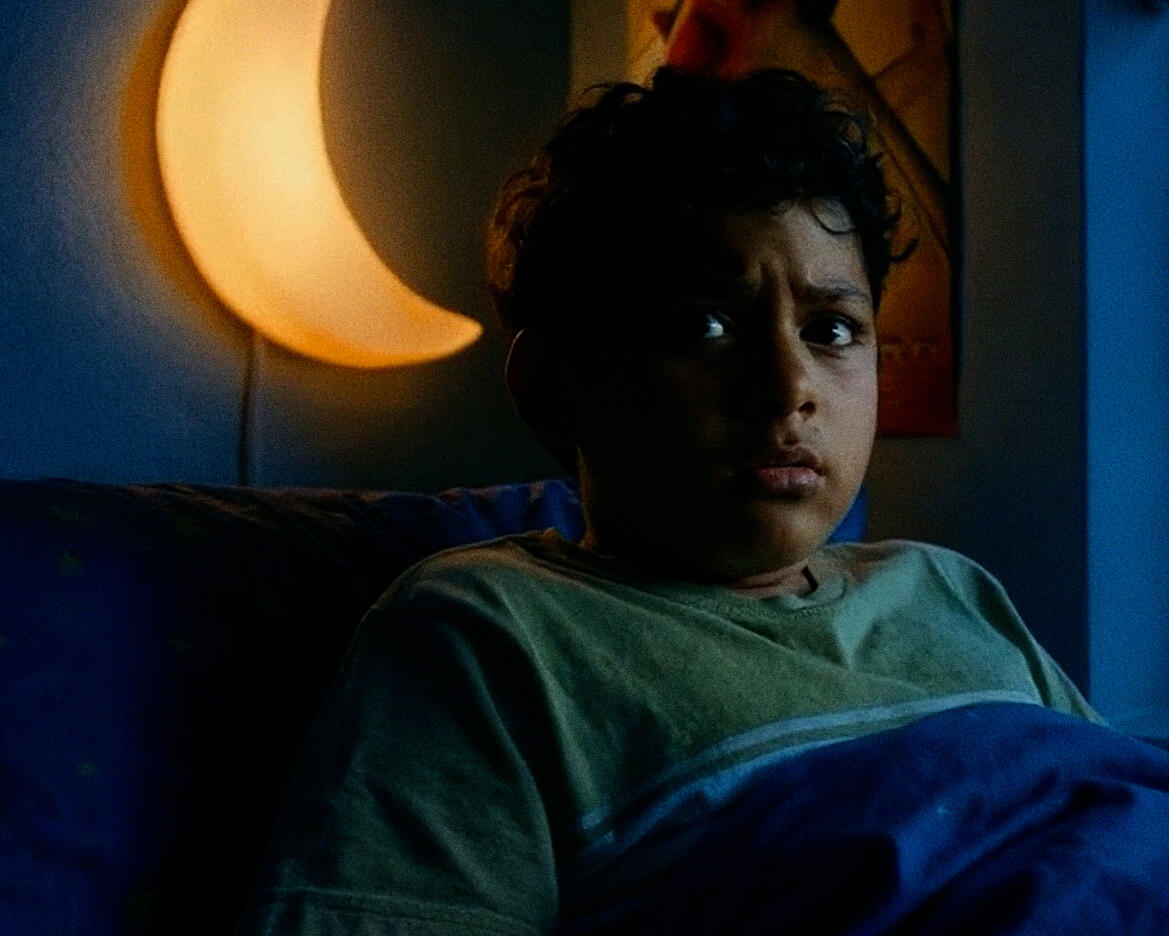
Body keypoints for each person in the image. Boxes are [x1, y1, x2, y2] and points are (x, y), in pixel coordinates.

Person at [236, 67, 1097, 935]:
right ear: (553, 387)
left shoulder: (953, 591)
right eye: (703, 325)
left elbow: (1133, 831)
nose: (788, 386)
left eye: (831, 330)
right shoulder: (491, 637)